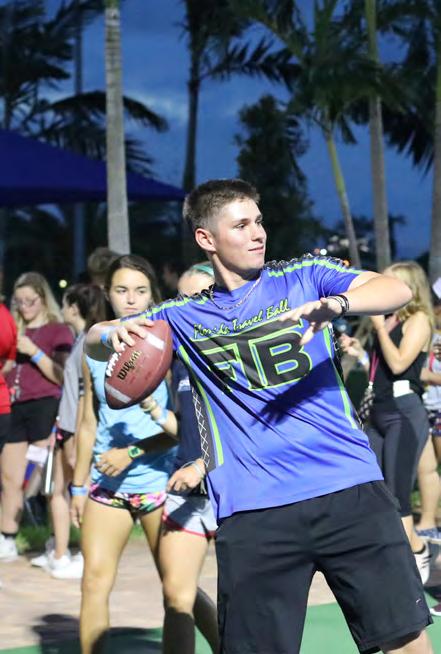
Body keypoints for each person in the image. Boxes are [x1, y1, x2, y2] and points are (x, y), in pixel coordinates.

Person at [86, 179, 433, 654]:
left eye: (259, 221)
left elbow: (394, 288)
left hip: (348, 491)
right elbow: (94, 339)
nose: (258, 233)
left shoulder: (304, 276)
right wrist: (111, 337)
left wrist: (338, 304)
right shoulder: (182, 317)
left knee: (406, 645)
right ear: (206, 238)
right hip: (253, 512)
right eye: (241, 225)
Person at [70, 255, 177, 654]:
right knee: (93, 583)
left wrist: (132, 452)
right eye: (121, 290)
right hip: (106, 485)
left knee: (177, 590)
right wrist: (77, 486)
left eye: (140, 290)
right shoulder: (94, 347)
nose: (131, 299)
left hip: (159, 482)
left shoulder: (168, 346)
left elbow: (183, 429)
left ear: (152, 295)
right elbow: (87, 422)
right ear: (107, 293)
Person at [341, 261, 435, 583]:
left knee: (397, 493)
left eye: (391, 281)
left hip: (403, 412)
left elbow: (399, 365)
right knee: (376, 491)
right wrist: (360, 352)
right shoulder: (389, 318)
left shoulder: (418, 319)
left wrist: (380, 328)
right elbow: (380, 367)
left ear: (409, 287)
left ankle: (411, 561)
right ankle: (412, 551)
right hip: (378, 410)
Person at [30, 284, 107, 578]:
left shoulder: (88, 342)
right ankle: (60, 553)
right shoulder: (80, 340)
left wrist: (74, 437)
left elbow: (85, 397)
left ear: (74, 308)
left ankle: (85, 555)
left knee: (77, 492)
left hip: (75, 429)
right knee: (57, 492)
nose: (61, 309)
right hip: (66, 426)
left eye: (64, 304)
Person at [0, 272, 73, 561]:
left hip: (45, 406)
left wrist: (34, 352)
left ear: (43, 299)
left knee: (47, 481)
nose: (24, 307)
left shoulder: (58, 330)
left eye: (30, 301)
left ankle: (57, 540)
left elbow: (62, 376)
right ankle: (7, 536)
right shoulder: (12, 328)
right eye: (19, 302)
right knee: (10, 477)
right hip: (14, 406)